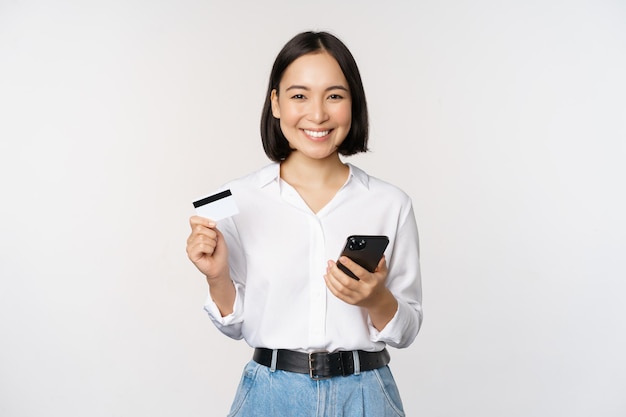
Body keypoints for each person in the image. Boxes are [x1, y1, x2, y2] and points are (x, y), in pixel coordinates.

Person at [186, 31, 422, 417]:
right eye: (299, 95)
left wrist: (375, 298)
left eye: (334, 95)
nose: (317, 114)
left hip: (366, 395)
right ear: (276, 103)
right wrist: (216, 277)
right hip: (270, 395)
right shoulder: (237, 200)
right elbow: (234, 325)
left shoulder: (390, 203)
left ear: (353, 104)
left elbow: (408, 328)